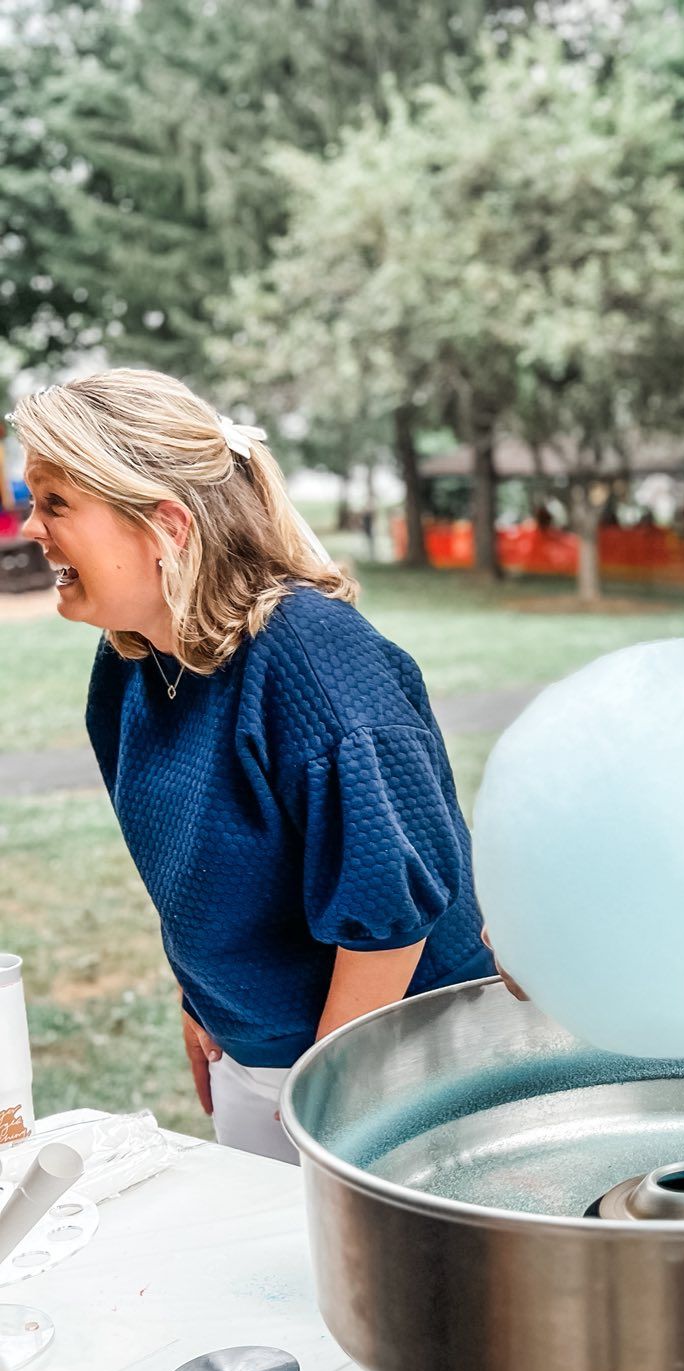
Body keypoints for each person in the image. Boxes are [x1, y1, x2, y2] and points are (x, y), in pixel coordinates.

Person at [14, 369, 493, 1163]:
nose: (33, 528)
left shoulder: (311, 658)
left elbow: (391, 915)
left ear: (164, 525)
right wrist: (199, 996)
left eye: (57, 503)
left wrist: (328, 1095)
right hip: (260, 1056)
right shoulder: (131, 662)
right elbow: (196, 865)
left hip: (395, 1067)